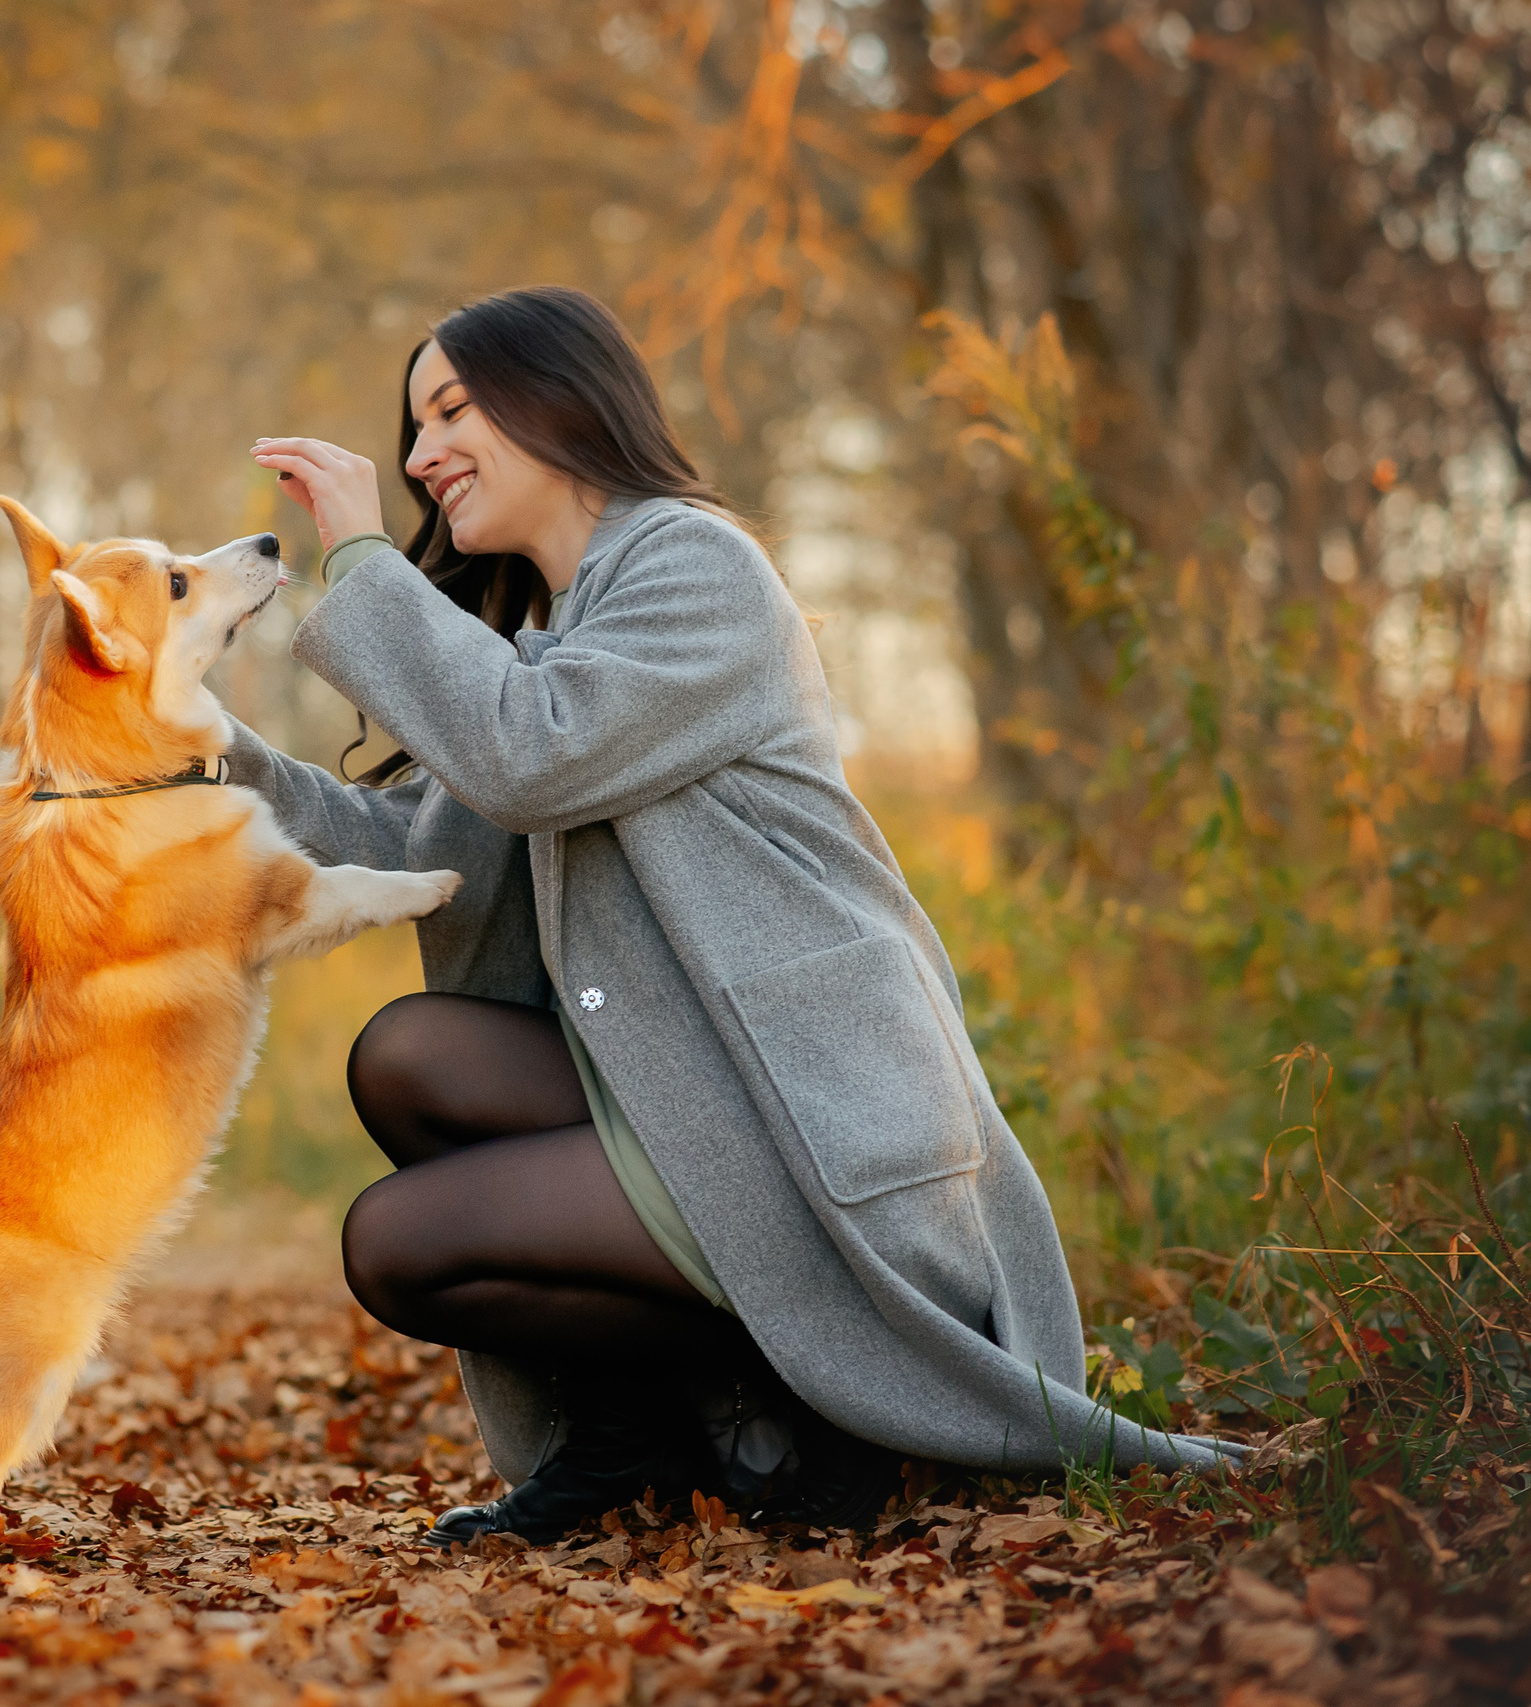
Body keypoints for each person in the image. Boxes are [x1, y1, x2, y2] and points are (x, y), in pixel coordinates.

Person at [234, 286, 1239, 1546]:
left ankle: (813, 1409)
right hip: (695, 1091)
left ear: (562, 397)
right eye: (414, 425)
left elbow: (525, 757)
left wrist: (362, 556)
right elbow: (411, 836)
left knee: (398, 1241)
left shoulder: (692, 565)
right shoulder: (554, 635)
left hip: (809, 1113)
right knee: (411, 1052)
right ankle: (647, 1445)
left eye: (452, 409)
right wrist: (189, 743)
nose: (421, 454)